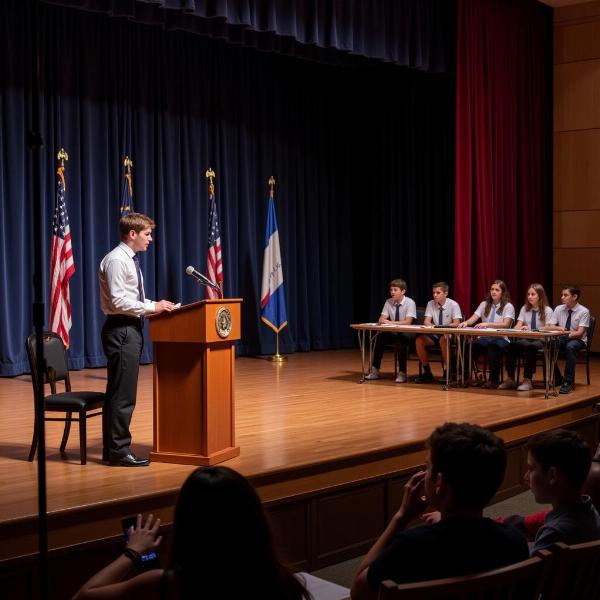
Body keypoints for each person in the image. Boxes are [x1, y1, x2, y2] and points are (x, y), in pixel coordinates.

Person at [73, 466, 311, 600]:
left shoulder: (164, 585)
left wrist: (132, 552)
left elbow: (83, 597)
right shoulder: (283, 584)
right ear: (255, 519)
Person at [350, 423, 528, 599]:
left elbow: (359, 591)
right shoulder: (515, 542)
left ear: (439, 483)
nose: (424, 473)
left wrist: (401, 518)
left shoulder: (410, 547)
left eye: (427, 467)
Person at [99, 213, 176, 467]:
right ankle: (119, 451)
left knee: (119, 393)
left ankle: (113, 450)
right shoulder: (117, 260)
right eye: (147, 234)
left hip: (129, 329)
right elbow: (119, 301)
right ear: (132, 234)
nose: (151, 239)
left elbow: (128, 298)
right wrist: (153, 306)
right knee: (123, 395)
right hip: (121, 331)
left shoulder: (127, 259)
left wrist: (154, 306)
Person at [525, 429, 600, 553]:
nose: (526, 477)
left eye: (531, 469)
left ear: (553, 475)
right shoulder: (593, 513)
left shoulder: (554, 534)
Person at [458, 280, 515, 389]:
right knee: (468, 347)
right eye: (492, 289)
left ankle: (493, 380)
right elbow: (474, 318)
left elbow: (506, 324)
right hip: (485, 338)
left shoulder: (508, 306)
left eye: (497, 290)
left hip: (501, 339)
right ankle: (466, 377)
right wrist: (466, 322)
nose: (493, 292)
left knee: (493, 348)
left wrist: (487, 324)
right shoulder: (484, 304)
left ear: (503, 293)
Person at [499, 283, 553, 391]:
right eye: (528, 294)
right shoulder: (524, 308)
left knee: (530, 347)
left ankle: (527, 380)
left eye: (533, 294)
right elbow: (518, 324)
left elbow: (548, 327)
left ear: (540, 296)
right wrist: (518, 328)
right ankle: (510, 378)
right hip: (527, 338)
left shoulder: (548, 310)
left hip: (542, 340)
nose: (530, 297)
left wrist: (533, 330)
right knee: (511, 346)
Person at [365, 278, 417, 384]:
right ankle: (375, 370)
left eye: (395, 290)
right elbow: (381, 319)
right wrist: (388, 322)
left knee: (400, 340)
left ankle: (402, 373)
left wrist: (390, 322)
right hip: (393, 331)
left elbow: (408, 322)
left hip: (407, 332)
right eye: (391, 290)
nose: (392, 292)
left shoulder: (410, 302)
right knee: (379, 337)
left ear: (403, 291)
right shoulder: (388, 302)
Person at [542, 285, 590, 394]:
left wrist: (565, 335)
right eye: (562, 295)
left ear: (574, 296)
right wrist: (559, 329)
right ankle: (558, 377)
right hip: (563, 336)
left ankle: (567, 382)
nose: (562, 297)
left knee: (570, 346)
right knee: (548, 345)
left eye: (565, 295)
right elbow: (549, 326)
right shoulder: (559, 309)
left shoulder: (584, 311)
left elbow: (579, 333)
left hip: (578, 340)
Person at [413, 282, 462, 383]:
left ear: (445, 294)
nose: (435, 295)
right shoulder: (430, 303)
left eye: (438, 293)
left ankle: (448, 372)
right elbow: (426, 321)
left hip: (449, 333)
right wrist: (430, 325)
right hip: (435, 333)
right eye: (434, 292)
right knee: (419, 341)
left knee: (443, 340)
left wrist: (442, 327)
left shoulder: (453, 304)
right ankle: (427, 373)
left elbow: (456, 323)